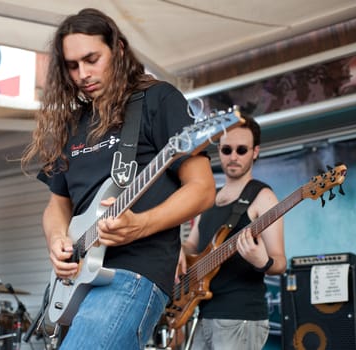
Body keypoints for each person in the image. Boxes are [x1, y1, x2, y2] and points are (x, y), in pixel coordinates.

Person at [20, 8, 216, 350]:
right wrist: (56, 240)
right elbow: (57, 204)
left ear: (119, 50)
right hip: (78, 277)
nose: (82, 73)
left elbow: (202, 190)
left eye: (92, 59)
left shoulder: (157, 99)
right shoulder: (72, 123)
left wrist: (141, 224)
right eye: (72, 65)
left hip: (135, 271)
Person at [179, 116, 286, 350]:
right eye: (227, 150)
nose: (234, 157)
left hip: (241, 317)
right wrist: (178, 250)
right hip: (204, 312)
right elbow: (192, 245)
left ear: (255, 152)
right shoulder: (209, 198)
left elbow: (280, 262)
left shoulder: (263, 197)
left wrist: (263, 261)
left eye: (242, 149)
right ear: (219, 151)